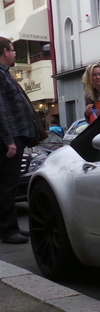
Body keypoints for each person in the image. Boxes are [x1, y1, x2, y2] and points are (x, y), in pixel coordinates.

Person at [0, 37, 36, 244]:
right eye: (13, 50)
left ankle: (10, 227)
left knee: (7, 184)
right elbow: (1, 110)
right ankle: (8, 230)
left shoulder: (5, 75)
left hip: (12, 136)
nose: (15, 54)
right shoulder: (1, 75)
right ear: (5, 52)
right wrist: (9, 140)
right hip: (10, 138)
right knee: (8, 184)